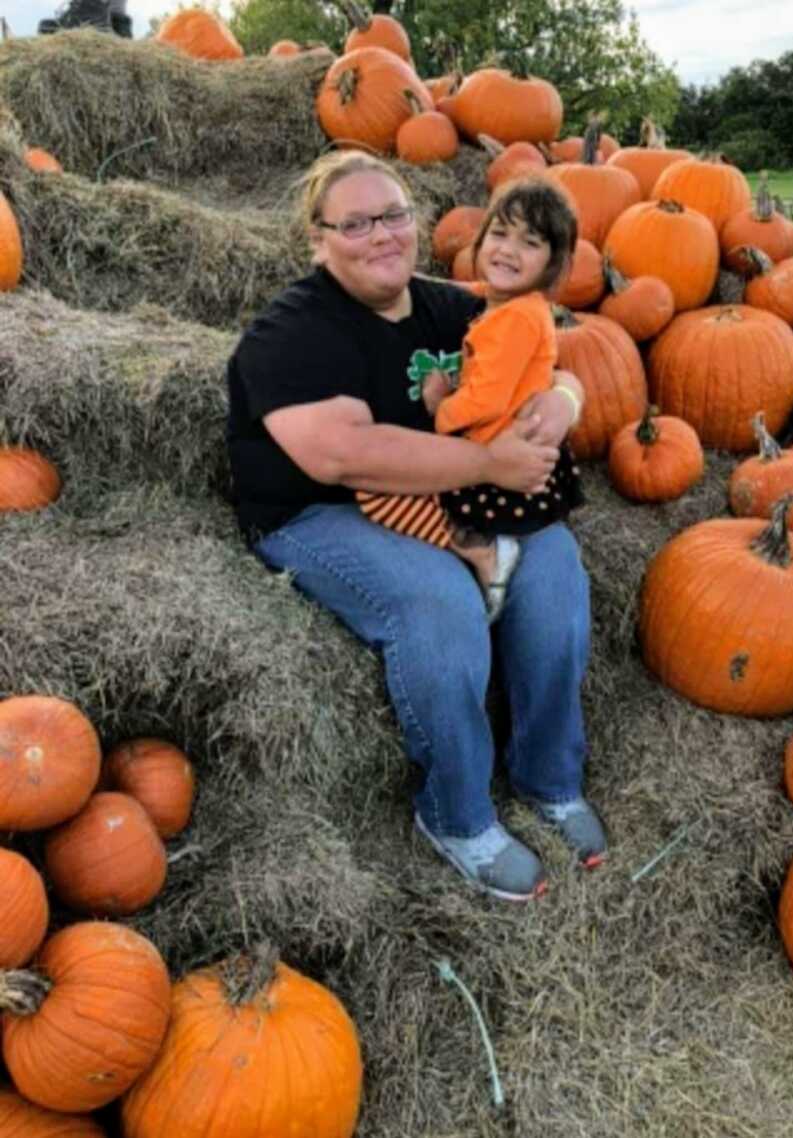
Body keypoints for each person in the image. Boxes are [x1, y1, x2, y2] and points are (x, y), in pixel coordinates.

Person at [226, 149, 606, 902]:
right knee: (438, 601)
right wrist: (490, 468)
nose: (382, 235)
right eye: (357, 222)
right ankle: (457, 815)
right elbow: (344, 455)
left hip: (451, 490)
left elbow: (548, 358)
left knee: (554, 562)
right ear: (319, 238)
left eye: (394, 215)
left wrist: (566, 401)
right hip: (321, 512)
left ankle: (548, 775)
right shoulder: (292, 332)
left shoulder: (455, 307)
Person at [355, 177, 583, 622]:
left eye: (529, 242)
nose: (508, 250)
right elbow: (471, 293)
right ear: (479, 242)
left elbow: (485, 402)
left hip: (493, 461)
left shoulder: (512, 320)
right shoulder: (510, 304)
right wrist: (403, 275)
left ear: (552, 264)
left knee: (376, 493)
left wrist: (441, 408)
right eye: (499, 234)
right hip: (502, 450)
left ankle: (485, 552)